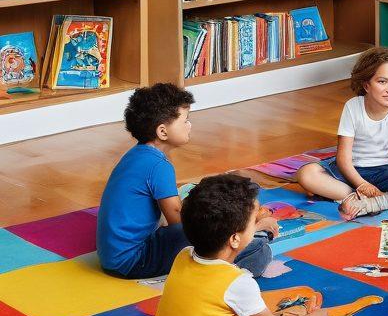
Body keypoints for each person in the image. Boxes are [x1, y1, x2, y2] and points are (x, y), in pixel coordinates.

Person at [149, 174, 326, 316]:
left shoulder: (183, 256)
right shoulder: (237, 282)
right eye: (254, 222)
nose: (258, 224)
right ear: (234, 239)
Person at [96, 83, 277, 279]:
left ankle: (243, 229)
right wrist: (249, 226)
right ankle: (251, 233)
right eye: (185, 121)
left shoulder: (136, 155)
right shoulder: (158, 166)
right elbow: (181, 222)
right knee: (259, 252)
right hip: (135, 261)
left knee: (195, 196)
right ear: (163, 132)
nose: (189, 125)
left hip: (113, 258)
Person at [295, 47, 388, 217]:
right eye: (383, 82)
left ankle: (374, 203)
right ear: (366, 85)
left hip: (383, 172)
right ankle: (357, 196)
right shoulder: (353, 107)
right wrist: (362, 185)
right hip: (350, 171)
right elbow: (343, 159)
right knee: (307, 173)